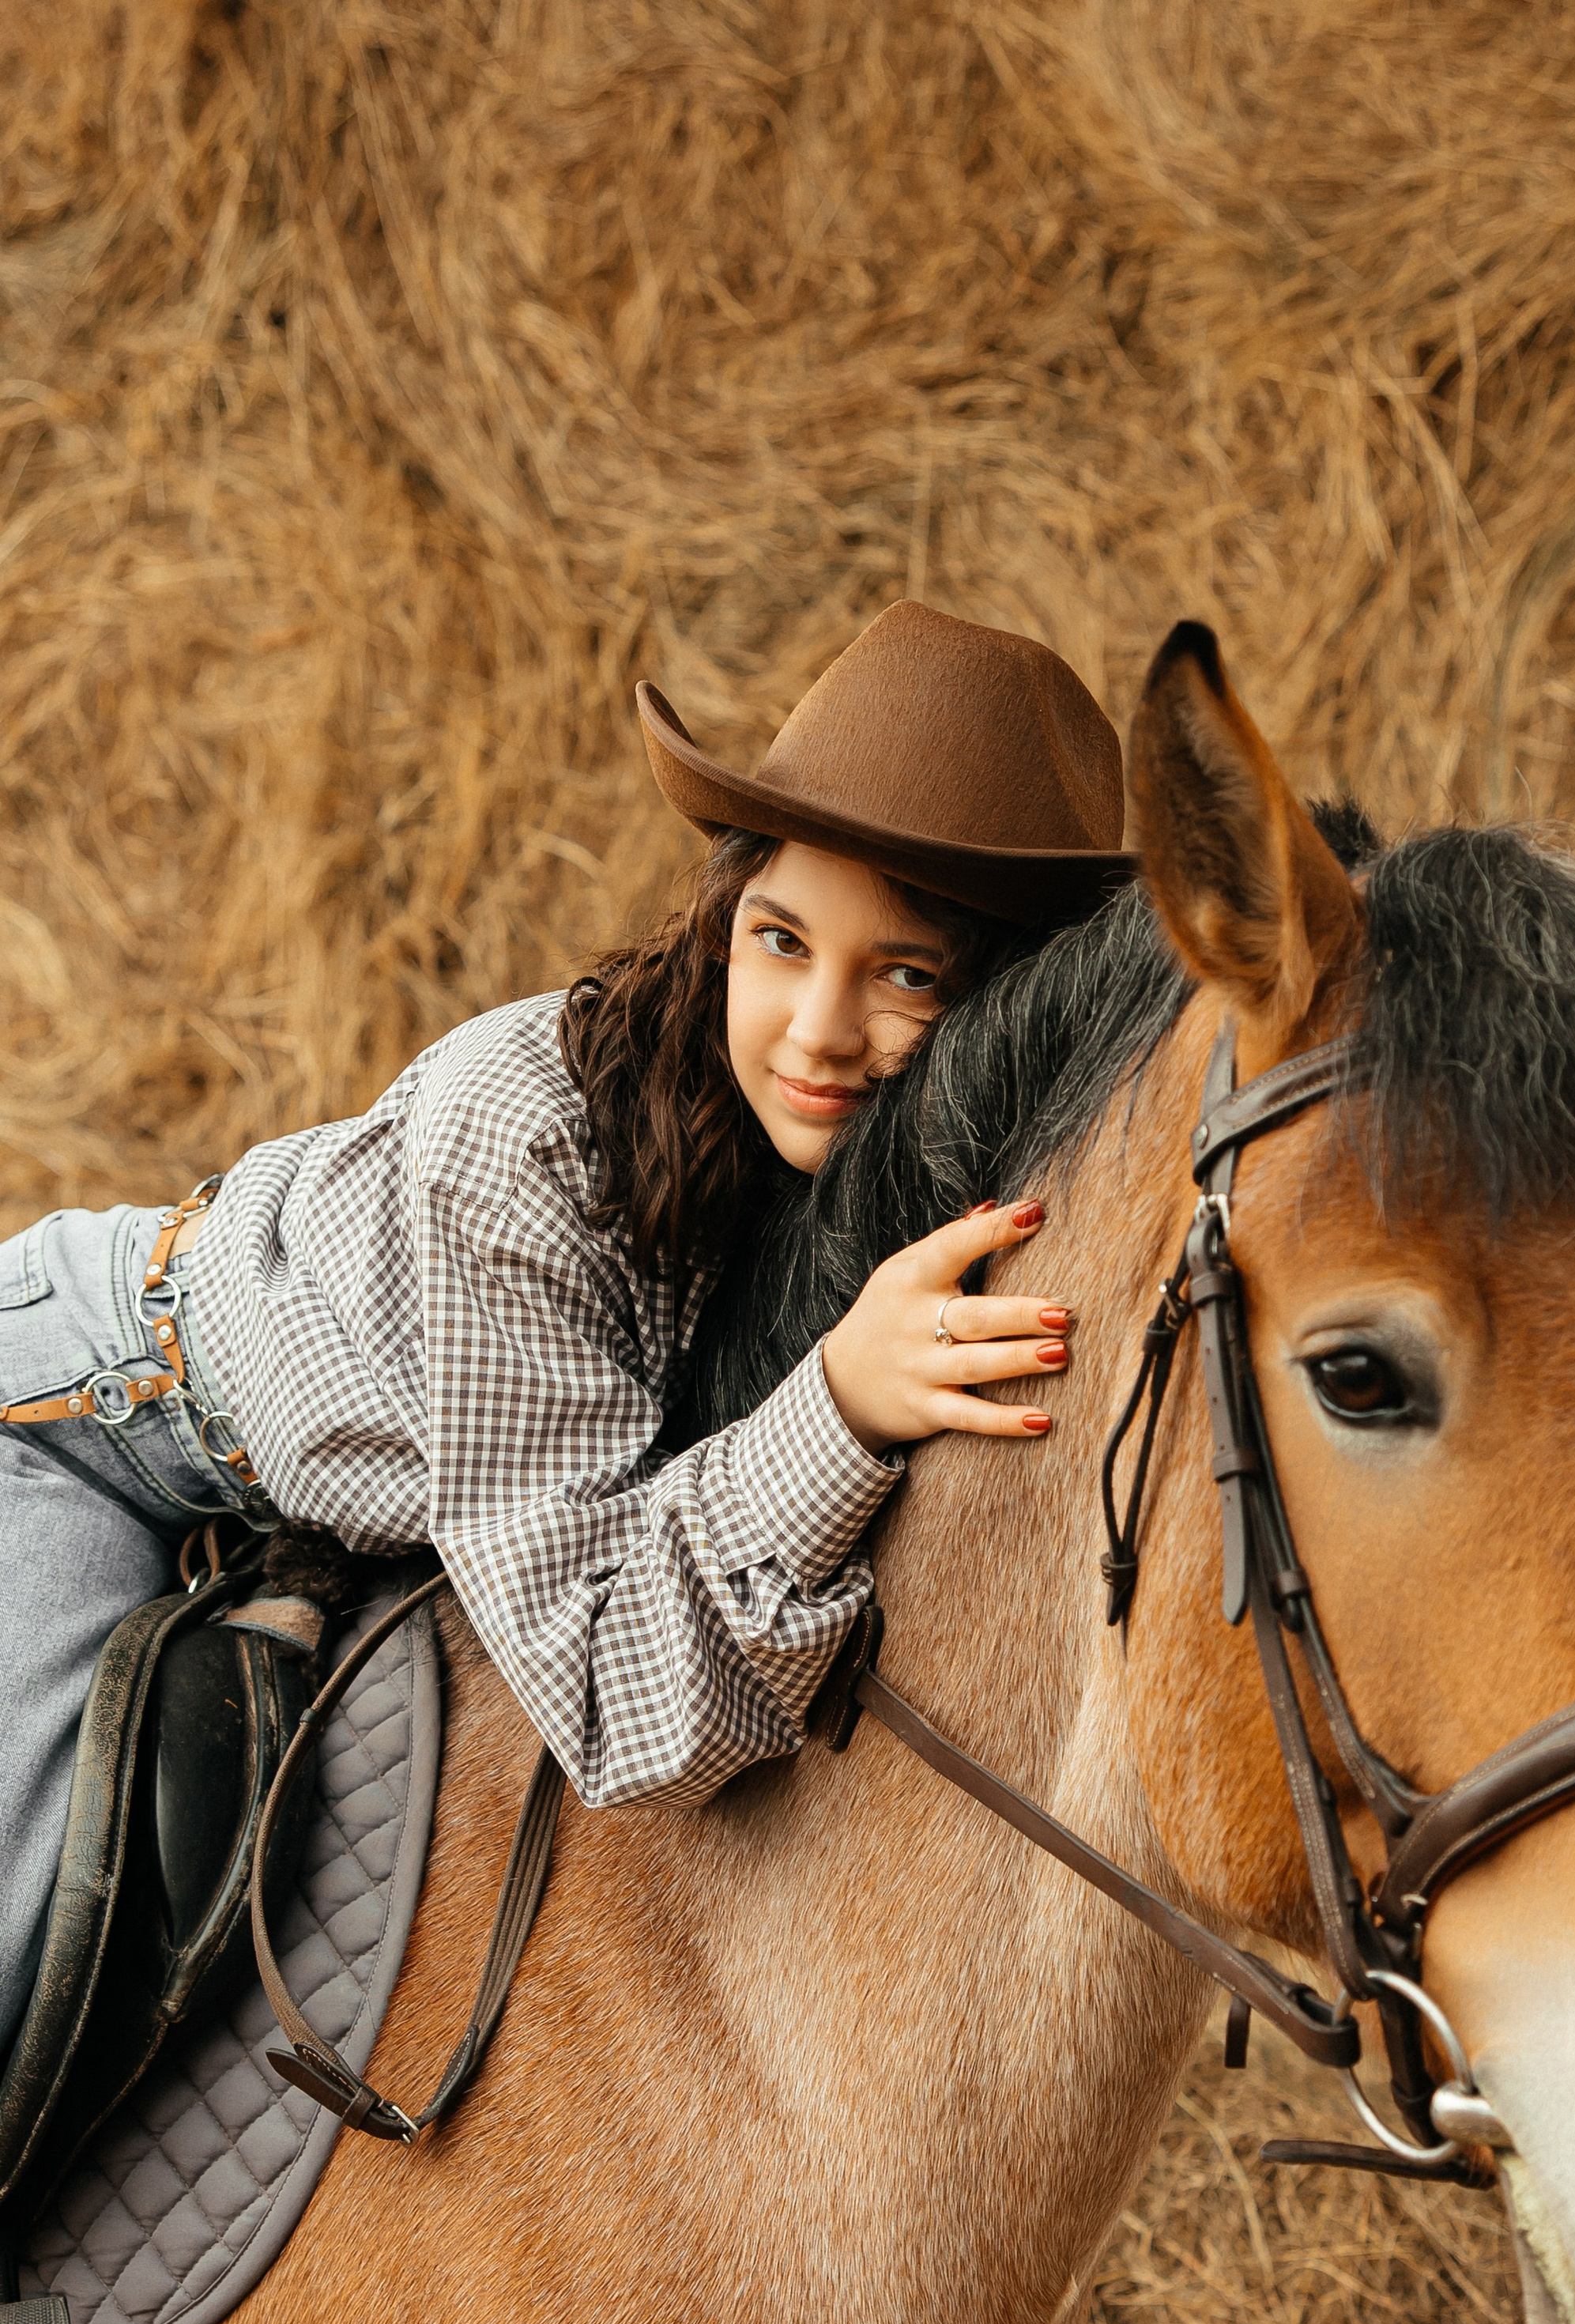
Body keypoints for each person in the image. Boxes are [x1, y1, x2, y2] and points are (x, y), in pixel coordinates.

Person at [0, 602, 1132, 2053]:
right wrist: (841, 1402)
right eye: (779, 940)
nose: (814, 1030)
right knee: (35, 1952)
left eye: (908, 974)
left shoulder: (894, 1175)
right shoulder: (526, 1138)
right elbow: (609, 1699)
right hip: (98, 1423)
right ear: (726, 916)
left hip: (332, 1485)